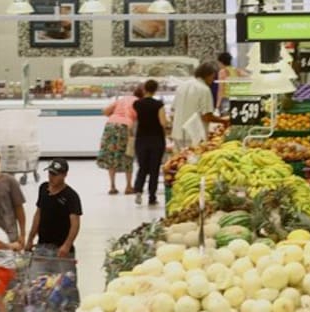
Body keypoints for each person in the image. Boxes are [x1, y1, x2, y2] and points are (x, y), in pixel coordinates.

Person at [28, 158, 82, 259]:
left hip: (61, 248)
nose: (51, 177)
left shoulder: (71, 196)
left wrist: (67, 245)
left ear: (64, 175)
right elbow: (38, 214)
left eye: (55, 174)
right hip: (42, 246)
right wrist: (30, 238)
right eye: (50, 173)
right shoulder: (43, 188)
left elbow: (75, 224)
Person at [170, 62, 229, 151]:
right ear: (209, 75)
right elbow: (206, 117)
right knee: (193, 159)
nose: (213, 80)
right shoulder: (204, 89)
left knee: (179, 158)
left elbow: (173, 110)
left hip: (177, 133)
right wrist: (223, 120)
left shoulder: (182, 86)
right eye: (213, 77)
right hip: (194, 136)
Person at [133, 79, 169, 207]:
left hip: (141, 139)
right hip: (156, 139)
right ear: (156, 90)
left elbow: (134, 121)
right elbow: (163, 122)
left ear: (144, 89)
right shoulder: (158, 104)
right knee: (154, 168)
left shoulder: (137, 104)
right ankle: (152, 197)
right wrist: (168, 126)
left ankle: (138, 191)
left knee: (142, 166)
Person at [97, 91, 138, 195]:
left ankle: (112, 186)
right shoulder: (138, 101)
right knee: (128, 155)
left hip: (111, 125)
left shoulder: (121, 99)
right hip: (126, 126)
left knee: (111, 155)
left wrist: (116, 115)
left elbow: (105, 111)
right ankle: (128, 187)